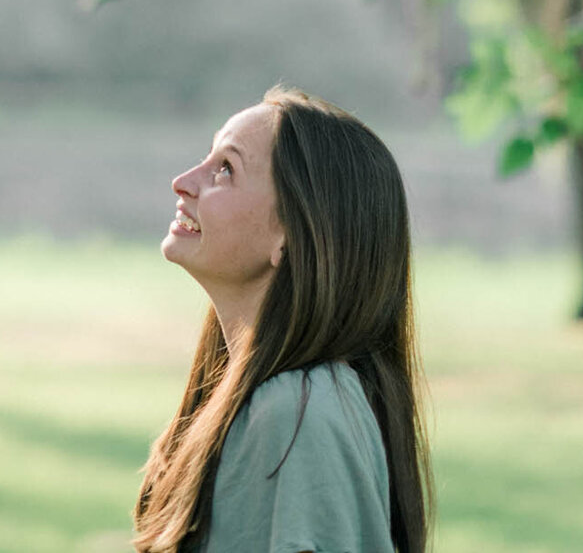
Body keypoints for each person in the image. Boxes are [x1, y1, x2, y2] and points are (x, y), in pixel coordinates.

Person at [134, 88, 431, 553]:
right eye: (207, 157)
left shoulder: (300, 413)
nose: (183, 181)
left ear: (290, 235)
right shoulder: (291, 401)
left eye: (226, 169)